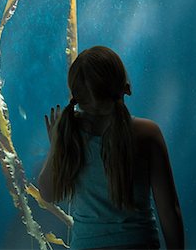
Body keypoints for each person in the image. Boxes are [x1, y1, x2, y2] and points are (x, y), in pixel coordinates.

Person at [38, 46, 185, 250]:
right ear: (125, 86)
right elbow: (169, 210)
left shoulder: (69, 133)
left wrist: (56, 143)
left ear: (76, 93)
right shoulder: (148, 133)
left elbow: (47, 194)